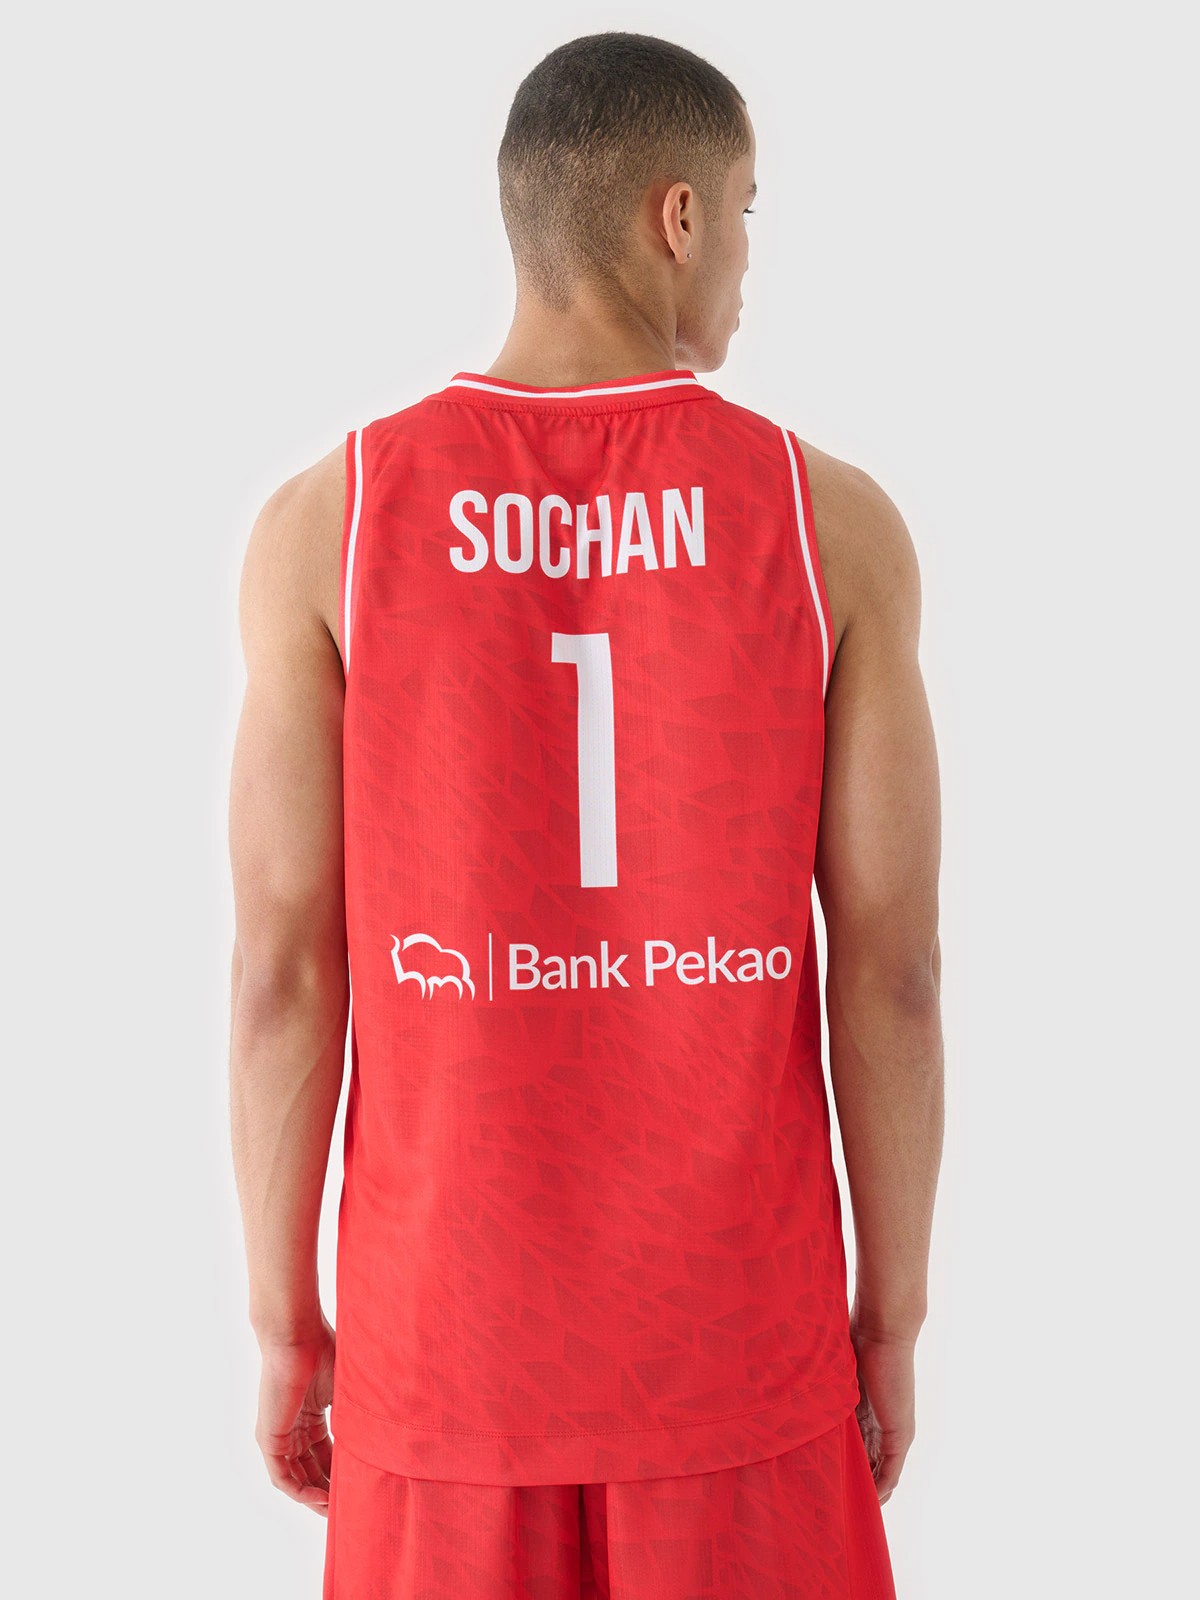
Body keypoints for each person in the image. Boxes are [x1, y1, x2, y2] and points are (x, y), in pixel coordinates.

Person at [229, 30, 943, 1599]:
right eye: (746, 211)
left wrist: (287, 1320)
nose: (747, 259)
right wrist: (889, 1317)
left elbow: (284, 966)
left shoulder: (328, 522)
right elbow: (891, 969)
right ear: (676, 217)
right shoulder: (829, 523)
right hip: (739, 1343)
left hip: (444, 1346)